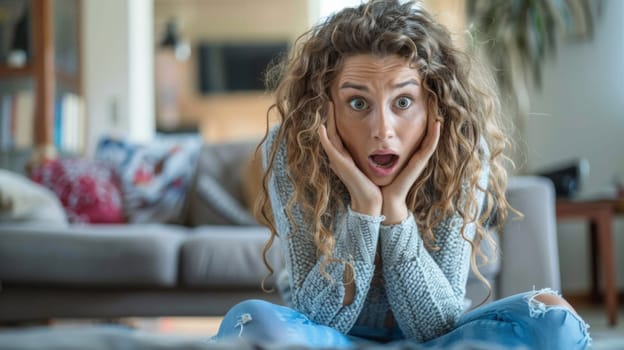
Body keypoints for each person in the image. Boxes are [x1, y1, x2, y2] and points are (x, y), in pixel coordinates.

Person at [211, 0, 591, 348]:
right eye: (358, 103)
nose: (382, 129)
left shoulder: (460, 146)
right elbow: (318, 318)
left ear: (433, 104)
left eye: (403, 102)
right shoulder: (292, 148)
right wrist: (363, 209)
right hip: (329, 340)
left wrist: (394, 212)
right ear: (323, 109)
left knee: (552, 316)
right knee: (250, 321)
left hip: (437, 341)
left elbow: (436, 326)